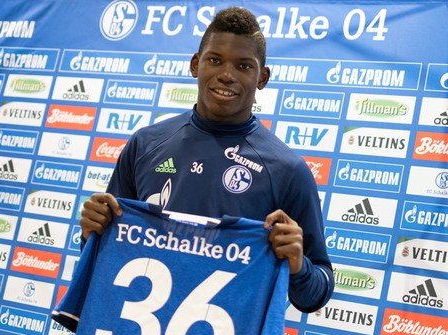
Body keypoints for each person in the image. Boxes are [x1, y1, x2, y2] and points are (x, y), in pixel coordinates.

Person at [79, 6, 333, 313]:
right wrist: (92, 234)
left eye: (244, 66)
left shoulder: (287, 170)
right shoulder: (145, 144)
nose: (227, 75)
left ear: (262, 77)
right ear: (196, 64)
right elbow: (108, 256)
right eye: (215, 60)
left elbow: (316, 293)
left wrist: (299, 266)